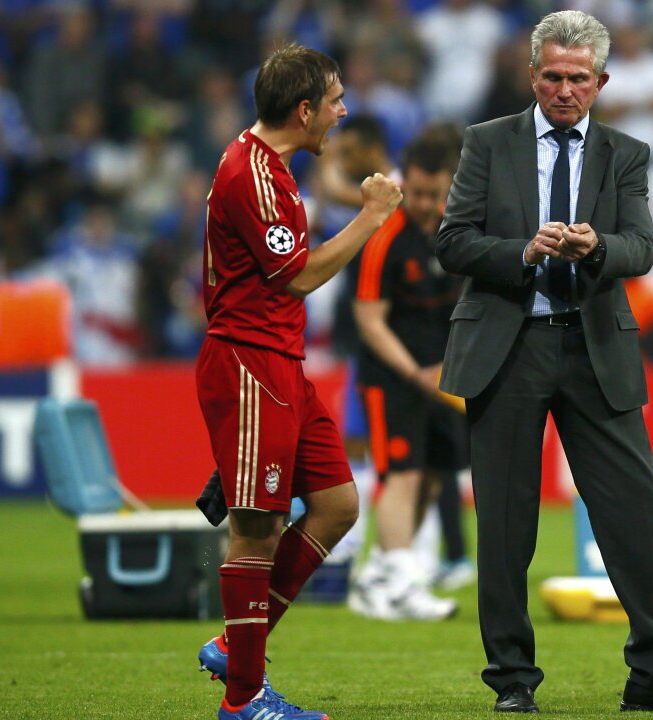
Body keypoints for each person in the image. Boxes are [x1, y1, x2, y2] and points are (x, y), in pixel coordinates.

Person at [435, 10, 653, 715]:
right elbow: (452, 241)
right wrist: (523, 251)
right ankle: (512, 680)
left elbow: (642, 247)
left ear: (601, 81)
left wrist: (597, 247)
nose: (564, 90)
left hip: (594, 345)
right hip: (508, 347)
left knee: (637, 506)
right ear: (531, 75)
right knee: (506, 522)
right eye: (552, 77)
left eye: (577, 78)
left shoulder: (625, 152)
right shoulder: (487, 142)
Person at [193, 44, 401, 720]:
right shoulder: (251, 174)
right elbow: (299, 275)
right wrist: (371, 217)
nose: (343, 113)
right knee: (257, 529)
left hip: (281, 361)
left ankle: (237, 646)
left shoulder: (271, 168)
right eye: (335, 101)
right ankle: (244, 699)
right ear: (304, 109)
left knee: (338, 505)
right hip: (249, 363)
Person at [348, 134, 466, 621]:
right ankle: (401, 585)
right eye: (416, 193)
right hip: (392, 377)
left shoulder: (457, 228)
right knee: (403, 475)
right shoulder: (385, 235)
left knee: (433, 478)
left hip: (443, 377)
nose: (423, 203)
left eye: (434, 194)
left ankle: (379, 576)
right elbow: (369, 320)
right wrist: (417, 373)